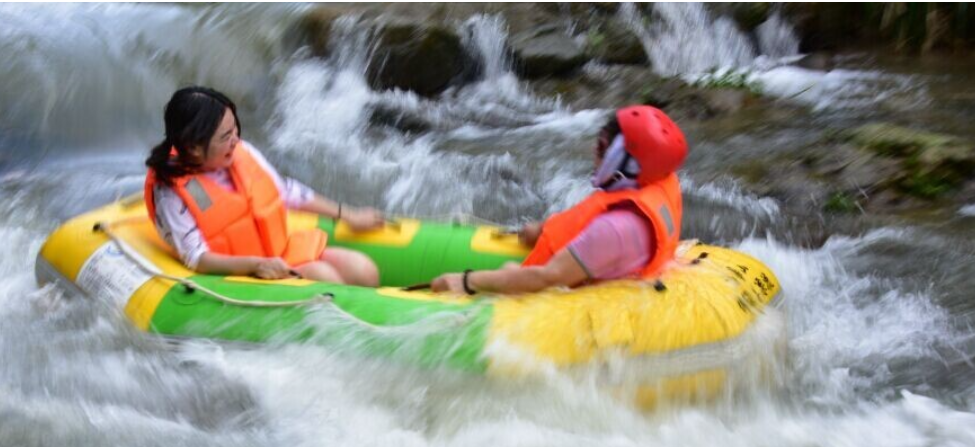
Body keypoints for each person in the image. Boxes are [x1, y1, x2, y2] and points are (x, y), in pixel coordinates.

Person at [430, 105, 687, 296]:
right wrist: (543, 230)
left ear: (621, 162)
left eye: (600, 146)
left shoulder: (616, 228)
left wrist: (467, 281)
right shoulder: (654, 184)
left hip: (570, 304)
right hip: (623, 273)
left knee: (507, 272)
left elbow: (547, 278)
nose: (593, 153)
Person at [145, 86, 382, 286]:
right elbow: (197, 258)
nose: (235, 140)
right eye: (225, 136)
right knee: (325, 278)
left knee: (364, 269)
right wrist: (257, 265)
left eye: (235, 129)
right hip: (243, 275)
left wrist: (349, 215)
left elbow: (285, 192)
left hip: (279, 252)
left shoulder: (240, 152)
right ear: (194, 146)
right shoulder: (172, 192)